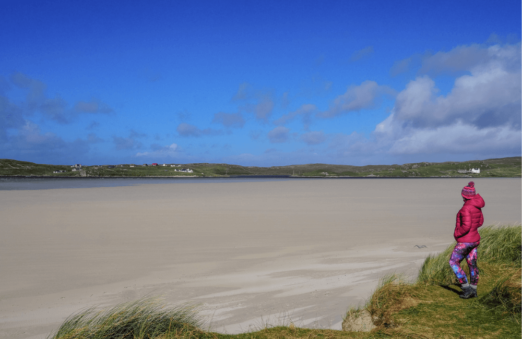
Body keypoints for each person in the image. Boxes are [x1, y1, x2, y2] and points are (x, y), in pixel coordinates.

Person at [449, 181, 485, 299]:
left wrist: (456, 234)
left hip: (465, 241)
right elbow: (480, 222)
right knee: (472, 263)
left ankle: (466, 288)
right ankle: (473, 290)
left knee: (453, 262)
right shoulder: (477, 206)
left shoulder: (466, 208)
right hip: (475, 240)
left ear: (464, 195)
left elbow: (466, 226)